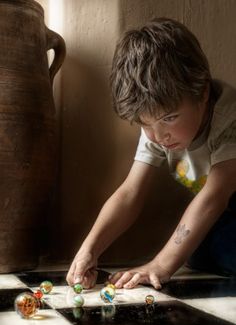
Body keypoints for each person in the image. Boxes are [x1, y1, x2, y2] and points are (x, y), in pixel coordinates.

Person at [66, 18, 236, 290]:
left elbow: (215, 195)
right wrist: (90, 249)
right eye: (145, 123)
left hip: (224, 203)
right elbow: (130, 193)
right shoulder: (157, 130)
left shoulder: (230, 116)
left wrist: (161, 264)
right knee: (199, 246)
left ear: (203, 93)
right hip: (223, 216)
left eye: (169, 118)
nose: (158, 136)